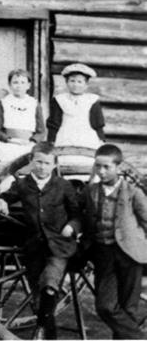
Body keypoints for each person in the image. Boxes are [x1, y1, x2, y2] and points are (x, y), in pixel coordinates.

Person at [0, 142, 81, 339]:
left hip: (59, 245)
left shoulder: (63, 186)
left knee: (50, 285)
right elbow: (3, 197)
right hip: (34, 247)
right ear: (32, 162)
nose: (42, 167)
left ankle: (43, 329)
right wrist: (0, 201)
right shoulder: (24, 185)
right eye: (39, 162)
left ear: (54, 165)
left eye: (47, 163)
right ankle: (49, 334)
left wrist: (72, 226)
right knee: (38, 294)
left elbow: (77, 214)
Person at [79, 144, 147, 339]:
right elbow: (78, 214)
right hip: (104, 254)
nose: (101, 171)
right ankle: (139, 338)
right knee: (105, 306)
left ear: (118, 167)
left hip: (130, 254)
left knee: (129, 308)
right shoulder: (90, 191)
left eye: (107, 167)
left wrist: (141, 244)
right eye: (98, 166)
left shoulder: (132, 192)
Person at [0, 69, 45, 162]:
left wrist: (32, 141)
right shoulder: (3, 103)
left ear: (28, 85)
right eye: (15, 82)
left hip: (28, 144)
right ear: (9, 85)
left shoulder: (34, 103)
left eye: (23, 82)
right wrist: (10, 140)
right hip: (8, 144)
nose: (19, 86)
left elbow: (41, 131)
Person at [48, 63, 105, 150]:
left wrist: (101, 139)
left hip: (87, 138)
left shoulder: (92, 100)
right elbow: (54, 123)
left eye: (79, 82)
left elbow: (97, 123)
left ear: (86, 84)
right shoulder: (60, 100)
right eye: (72, 81)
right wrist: (51, 140)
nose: (75, 85)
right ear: (66, 82)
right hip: (64, 137)